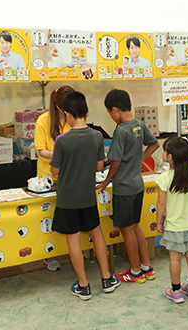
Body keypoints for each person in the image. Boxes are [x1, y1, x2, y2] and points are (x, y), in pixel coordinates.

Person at [49, 91, 120, 300]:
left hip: (67, 199)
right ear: (87, 112)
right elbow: (99, 166)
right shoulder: (97, 136)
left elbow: (54, 170)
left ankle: (83, 285)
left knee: (73, 241)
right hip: (88, 196)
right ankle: (106, 278)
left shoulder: (62, 140)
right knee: (97, 235)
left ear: (67, 114)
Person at [98, 89, 160, 283]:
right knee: (135, 226)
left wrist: (106, 180)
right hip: (137, 185)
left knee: (127, 230)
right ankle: (146, 267)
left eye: (110, 113)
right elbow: (154, 144)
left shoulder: (122, 130)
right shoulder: (139, 125)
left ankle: (135, 272)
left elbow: (115, 162)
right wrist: (139, 159)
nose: (111, 116)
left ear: (115, 110)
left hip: (124, 187)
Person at [156, 137, 188, 303]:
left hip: (174, 225)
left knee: (175, 259)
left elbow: (161, 204)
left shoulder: (164, 178)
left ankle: (176, 291)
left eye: (165, 150)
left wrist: (158, 222)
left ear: (170, 157)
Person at [34, 85, 74, 271]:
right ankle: (49, 254)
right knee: (49, 218)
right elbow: (41, 150)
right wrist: (60, 155)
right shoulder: (43, 121)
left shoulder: (73, 118)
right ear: (58, 106)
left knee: (71, 216)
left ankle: (75, 248)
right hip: (48, 177)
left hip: (70, 176)